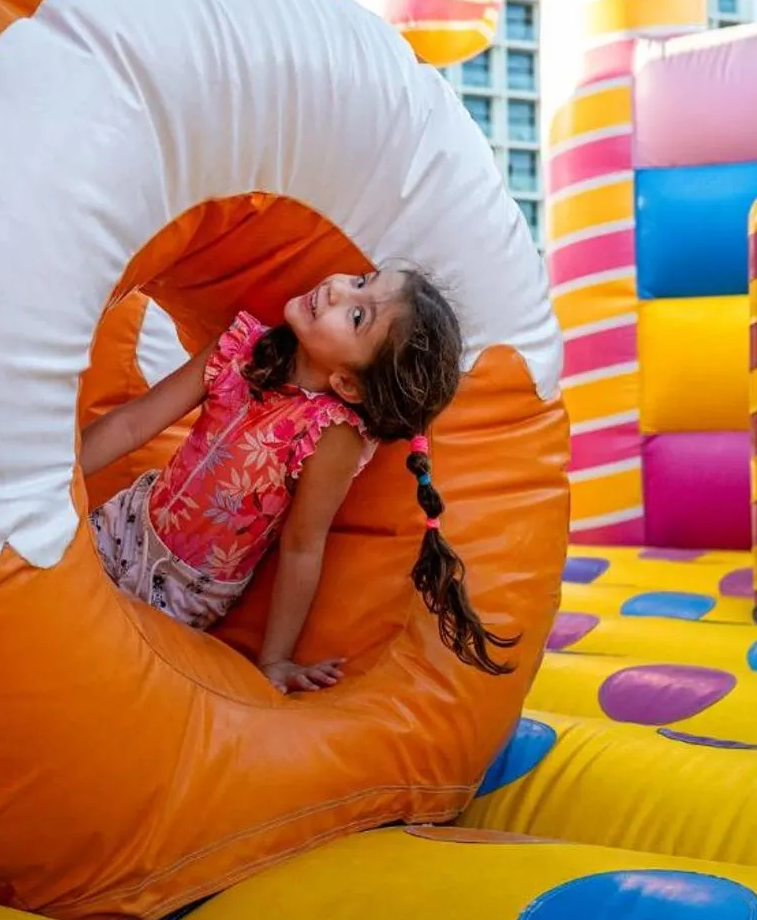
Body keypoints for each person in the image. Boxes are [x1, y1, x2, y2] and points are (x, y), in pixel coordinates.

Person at [79, 267, 517, 694]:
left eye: (358, 316)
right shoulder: (240, 349)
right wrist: (54, 471)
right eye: (361, 281)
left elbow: (303, 544)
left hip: (185, 588)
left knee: (99, 662)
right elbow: (134, 425)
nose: (338, 290)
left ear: (347, 383)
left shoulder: (330, 433)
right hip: (127, 521)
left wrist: (275, 660)